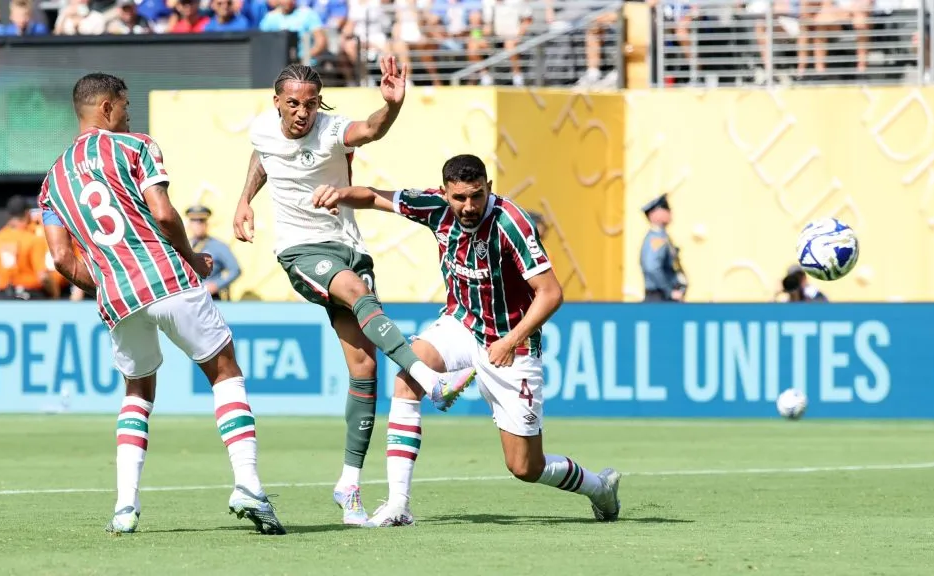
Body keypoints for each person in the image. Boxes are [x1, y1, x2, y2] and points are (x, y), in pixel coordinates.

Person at [311, 154, 622, 528]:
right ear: (444, 192)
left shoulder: (511, 223)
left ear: (489, 187)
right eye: (459, 198)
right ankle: (398, 504)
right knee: (408, 377)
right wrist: (338, 194)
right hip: (461, 323)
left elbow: (551, 293)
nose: (469, 206)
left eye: (476, 196)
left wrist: (510, 340)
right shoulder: (433, 207)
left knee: (524, 466)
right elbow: (376, 196)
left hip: (512, 343)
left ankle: (599, 488)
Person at [39, 73, 284, 535]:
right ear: (107, 108)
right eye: (125, 106)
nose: (129, 114)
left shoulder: (52, 180)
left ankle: (125, 508)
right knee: (224, 371)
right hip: (167, 277)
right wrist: (193, 259)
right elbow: (165, 213)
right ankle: (248, 484)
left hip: (117, 298)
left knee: (137, 391)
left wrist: (111, 278)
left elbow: (60, 257)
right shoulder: (135, 147)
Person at [232, 59, 476, 525]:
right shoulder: (263, 128)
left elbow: (369, 129)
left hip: (349, 247)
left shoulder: (330, 130)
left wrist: (392, 105)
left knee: (364, 368)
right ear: (276, 101)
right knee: (356, 291)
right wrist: (245, 199)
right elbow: (261, 155)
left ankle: (348, 485)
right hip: (301, 250)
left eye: (310, 104)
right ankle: (428, 378)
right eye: (293, 104)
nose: (302, 113)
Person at [0, 195, 45, 300]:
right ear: (27, 214)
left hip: (5, 297)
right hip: (32, 297)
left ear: (8, 215)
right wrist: (55, 294)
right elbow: (43, 276)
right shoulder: (33, 239)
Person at [186, 205, 241, 300]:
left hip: (209, 297)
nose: (198, 225)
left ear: (206, 223)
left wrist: (216, 284)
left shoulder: (218, 246)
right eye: (194, 221)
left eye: (201, 221)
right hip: (187, 296)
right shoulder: (185, 245)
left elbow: (235, 270)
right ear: (189, 224)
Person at [639, 193, 687, 302]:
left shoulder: (662, 237)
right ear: (654, 214)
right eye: (665, 208)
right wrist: (668, 290)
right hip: (660, 297)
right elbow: (651, 266)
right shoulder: (657, 239)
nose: (670, 212)